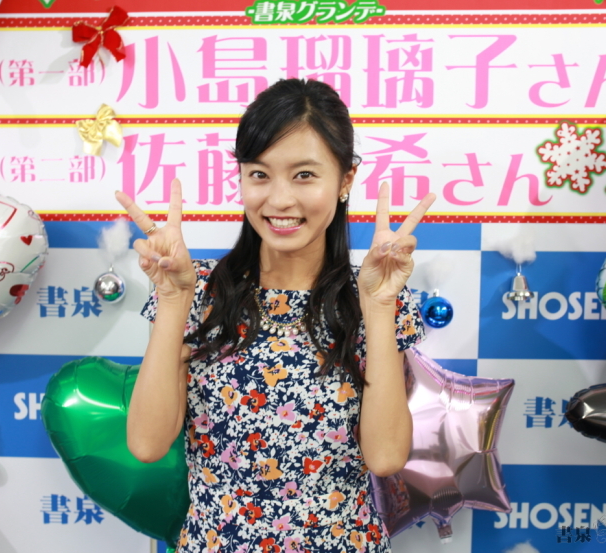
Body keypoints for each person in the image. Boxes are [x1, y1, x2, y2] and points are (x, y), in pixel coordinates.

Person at [115, 78, 435, 552]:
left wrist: (379, 306)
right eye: (260, 174)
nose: (280, 199)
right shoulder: (195, 289)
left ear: (346, 180)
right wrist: (174, 300)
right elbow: (147, 444)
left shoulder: (373, 294)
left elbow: (385, 457)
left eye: (304, 175)